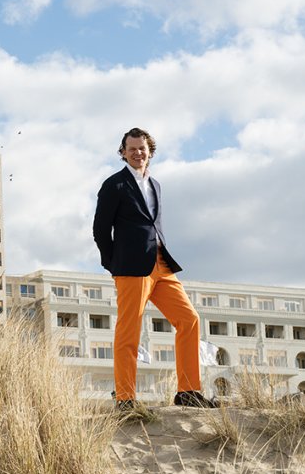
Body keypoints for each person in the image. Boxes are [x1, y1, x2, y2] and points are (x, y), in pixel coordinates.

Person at [92, 127, 217, 410]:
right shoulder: (114, 185)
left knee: (189, 319)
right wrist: (114, 265)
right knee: (129, 332)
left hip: (161, 264)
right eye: (132, 149)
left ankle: (188, 391)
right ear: (123, 153)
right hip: (131, 269)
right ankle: (125, 398)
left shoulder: (156, 185)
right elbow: (101, 230)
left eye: (142, 149)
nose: (138, 153)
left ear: (150, 153)